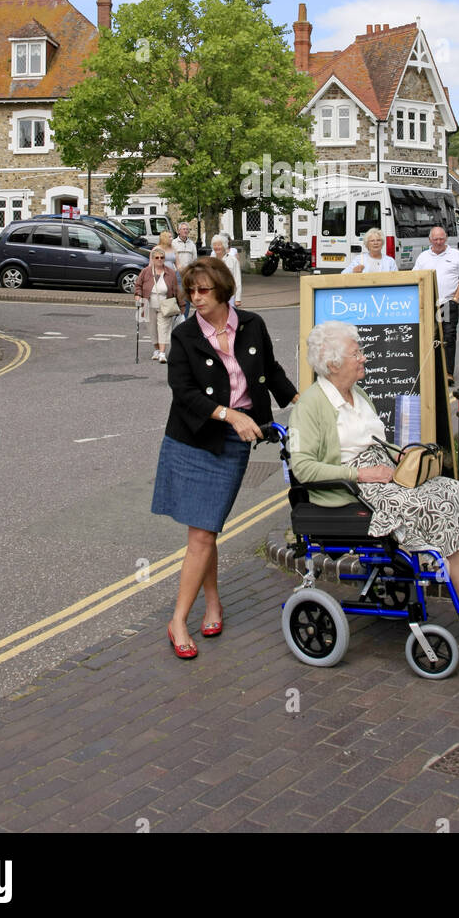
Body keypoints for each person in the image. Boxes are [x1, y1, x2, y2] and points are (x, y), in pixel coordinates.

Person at [289, 321, 459, 636]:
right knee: (430, 507)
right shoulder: (311, 405)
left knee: (456, 493)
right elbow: (303, 468)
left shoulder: (359, 394)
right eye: (357, 353)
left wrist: (399, 454)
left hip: (385, 472)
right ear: (333, 364)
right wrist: (362, 473)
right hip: (353, 488)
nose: (364, 358)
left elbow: (375, 441)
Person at [152, 256, 298, 657]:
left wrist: (304, 400)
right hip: (193, 440)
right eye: (191, 291)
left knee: (206, 529)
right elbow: (184, 393)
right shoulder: (184, 336)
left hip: (232, 445)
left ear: (222, 291)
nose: (195, 298)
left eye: (203, 291)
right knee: (202, 532)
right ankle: (179, 619)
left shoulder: (252, 325)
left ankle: (212, 603)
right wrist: (230, 414)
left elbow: (270, 370)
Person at [413, 226, 459, 383]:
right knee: (428, 338)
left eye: (441, 239)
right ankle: (429, 373)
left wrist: (456, 299)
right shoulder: (423, 257)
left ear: (446, 238)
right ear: (430, 240)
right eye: (435, 239)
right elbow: (415, 277)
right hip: (428, 304)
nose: (439, 242)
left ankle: (448, 373)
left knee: (448, 338)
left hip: (446, 304)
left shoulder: (455, 255)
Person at [134, 248, 185, 363]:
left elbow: (176, 289)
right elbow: (138, 285)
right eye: (156, 257)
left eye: (162, 258)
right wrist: (138, 295)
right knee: (152, 329)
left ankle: (162, 353)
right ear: (152, 259)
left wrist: (182, 305)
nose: (159, 260)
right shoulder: (146, 272)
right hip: (149, 304)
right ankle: (156, 350)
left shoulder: (170, 272)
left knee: (163, 328)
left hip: (165, 304)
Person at [173, 223, 197, 318]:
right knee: (178, 296)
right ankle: (176, 318)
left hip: (188, 274)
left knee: (186, 297)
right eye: (183, 229)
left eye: (187, 229)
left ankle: (184, 318)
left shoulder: (192, 244)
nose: (186, 231)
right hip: (177, 274)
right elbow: (171, 259)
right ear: (179, 231)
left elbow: (194, 260)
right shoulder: (173, 243)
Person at [211, 233, 242, 306]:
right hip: (214, 297)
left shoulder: (233, 260)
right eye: (215, 245)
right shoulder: (211, 261)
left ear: (224, 246)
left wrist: (238, 298)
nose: (217, 247)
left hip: (229, 296)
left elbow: (237, 280)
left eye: (219, 245)